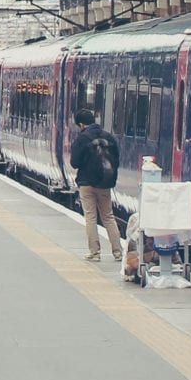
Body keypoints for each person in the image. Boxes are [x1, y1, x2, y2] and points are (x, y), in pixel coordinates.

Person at [69, 107, 123, 263]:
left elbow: (74, 163)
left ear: (81, 124)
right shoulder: (109, 137)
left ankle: (95, 253)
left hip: (86, 183)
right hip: (105, 183)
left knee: (91, 217)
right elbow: (116, 160)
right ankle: (118, 252)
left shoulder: (82, 139)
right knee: (108, 216)